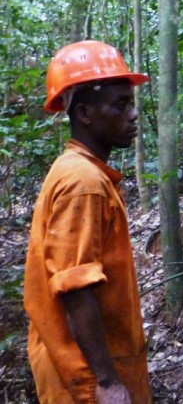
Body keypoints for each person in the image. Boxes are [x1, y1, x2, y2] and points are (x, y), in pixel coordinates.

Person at [24, 40, 152, 403]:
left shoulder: (82, 172)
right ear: (84, 114)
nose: (132, 115)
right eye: (119, 104)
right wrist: (107, 381)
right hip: (84, 376)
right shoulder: (84, 182)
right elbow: (75, 285)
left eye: (131, 103)